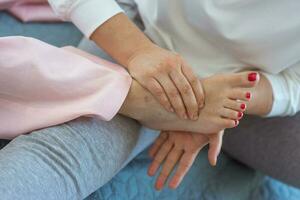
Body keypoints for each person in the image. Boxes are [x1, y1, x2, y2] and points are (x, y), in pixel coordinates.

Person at [48, 0, 300, 190]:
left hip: (251, 83)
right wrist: (137, 52)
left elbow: (295, 84)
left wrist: (225, 103)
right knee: (67, 155)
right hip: (136, 27)